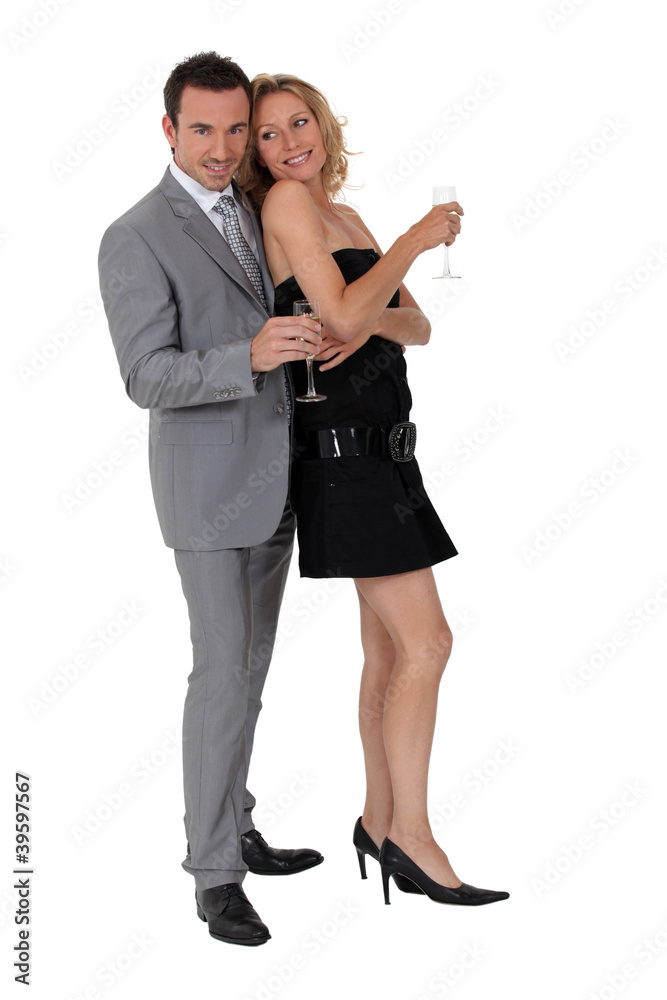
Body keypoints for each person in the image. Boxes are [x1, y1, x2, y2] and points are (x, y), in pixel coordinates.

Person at [238, 73, 509, 906]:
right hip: (342, 457)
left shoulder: (347, 218)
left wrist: (366, 317)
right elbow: (345, 314)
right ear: (258, 155)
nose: (289, 143)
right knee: (430, 645)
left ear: (323, 124)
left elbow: (412, 325)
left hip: (388, 456)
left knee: (391, 652)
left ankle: (379, 821)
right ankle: (413, 839)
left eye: (298, 123)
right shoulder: (288, 205)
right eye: (269, 135)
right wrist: (414, 242)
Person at [98, 52, 325, 949]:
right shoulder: (135, 234)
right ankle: (214, 876)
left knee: (249, 675)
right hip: (205, 496)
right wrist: (251, 356)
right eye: (203, 129)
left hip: (276, 482)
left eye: (236, 129)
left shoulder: (256, 205)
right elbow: (145, 376)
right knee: (221, 675)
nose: (224, 148)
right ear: (169, 129)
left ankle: (235, 822)